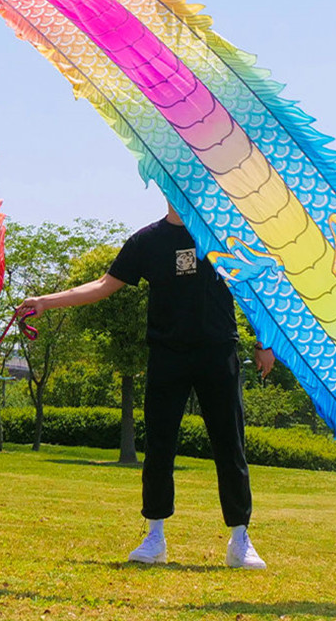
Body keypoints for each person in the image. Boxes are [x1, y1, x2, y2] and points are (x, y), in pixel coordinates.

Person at [17, 202, 274, 568]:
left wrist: (264, 343)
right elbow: (105, 284)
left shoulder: (222, 235)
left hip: (218, 352)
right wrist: (46, 301)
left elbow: (254, 288)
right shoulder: (147, 241)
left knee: (230, 444)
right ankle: (154, 537)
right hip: (167, 355)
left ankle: (240, 539)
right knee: (159, 446)